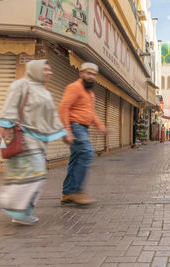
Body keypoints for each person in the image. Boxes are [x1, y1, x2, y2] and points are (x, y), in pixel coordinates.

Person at [0, 60, 69, 225]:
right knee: (34, 175)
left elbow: (52, 116)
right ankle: (15, 208)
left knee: (34, 176)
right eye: (46, 69)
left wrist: (64, 134)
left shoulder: (45, 92)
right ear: (35, 69)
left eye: (50, 69)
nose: (49, 73)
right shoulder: (21, 85)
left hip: (39, 141)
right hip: (24, 139)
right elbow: (10, 108)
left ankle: (21, 211)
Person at [58, 62, 109, 206]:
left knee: (75, 160)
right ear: (81, 73)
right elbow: (63, 108)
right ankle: (77, 192)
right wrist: (66, 131)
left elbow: (90, 113)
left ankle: (67, 193)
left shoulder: (90, 94)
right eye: (88, 73)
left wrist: (101, 127)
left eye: (94, 74)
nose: (91, 77)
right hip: (75, 127)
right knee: (87, 153)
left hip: (83, 128)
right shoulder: (74, 87)